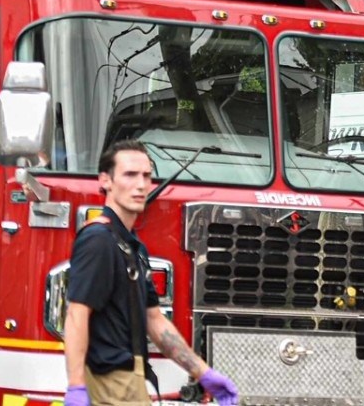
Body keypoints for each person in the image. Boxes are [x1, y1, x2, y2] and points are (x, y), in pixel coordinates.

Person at [64, 140, 239, 406]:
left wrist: (203, 373)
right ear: (105, 180)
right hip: (109, 380)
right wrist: (76, 387)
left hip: (129, 378)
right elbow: (77, 314)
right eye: (130, 175)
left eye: (146, 176)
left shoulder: (132, 246)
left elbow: (155, 322)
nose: (141, 184)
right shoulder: (99, 240)